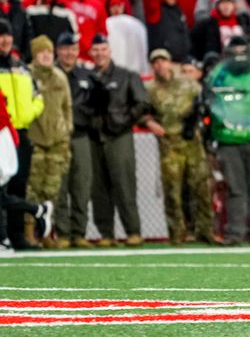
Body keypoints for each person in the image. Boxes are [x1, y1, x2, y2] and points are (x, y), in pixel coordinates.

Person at [204, 37, 250, 245]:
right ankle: (237, 233)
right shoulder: (220, 74)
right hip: (231, 139)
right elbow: (209, 102)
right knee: (236, 189)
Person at [144, 49, 215, 245]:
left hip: (192, 142)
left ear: (169, 62)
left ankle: (205, 231)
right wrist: (149, 122)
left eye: (163, 61)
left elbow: (206, 104)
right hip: (169, 144)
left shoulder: (189, 84)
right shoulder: (149, 88)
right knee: (172, 192)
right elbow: (140, 110)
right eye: (155, 62)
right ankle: (177, 234)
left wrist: (198, 122)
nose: (160, 65)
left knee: (202, 189)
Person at [89, 34, 149, 247]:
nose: (99, 54)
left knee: (124, 185)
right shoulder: (87, 77)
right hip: (95, 137)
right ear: (90, 53)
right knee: (99, 188)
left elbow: (142, 102)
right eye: (95, 50)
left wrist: (122, 120)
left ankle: (133, 231)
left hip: (120, 136)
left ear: (109, 51)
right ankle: (106, 233)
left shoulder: (127, 75)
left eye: (103, 49)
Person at [0, 19, 44, 249]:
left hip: (21, 134)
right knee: (1, 190)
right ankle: (3, 236)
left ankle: (17, 236)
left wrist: (27, 115)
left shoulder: (21, 67)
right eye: (1, 36)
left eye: (7, 35)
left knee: (18, 185)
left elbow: (38, 98)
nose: (5, 40)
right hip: (1, 133)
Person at [26, 36, 72, 248]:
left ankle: (46, 232)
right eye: (41, 52)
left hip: (57, 142)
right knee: (32, 189)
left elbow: (67, 108)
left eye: (49, 52)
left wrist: (66, 131)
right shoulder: (26, 75)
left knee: (52, 190)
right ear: (34, 54)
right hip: (34, 140)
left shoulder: (60, 77)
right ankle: (29, 232)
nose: (46, 55)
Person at [54, 33, 97, 248]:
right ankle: (62, 233)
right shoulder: (51, 74)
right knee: (59, 187)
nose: (69, 53)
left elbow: (97, 103)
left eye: (72, 48)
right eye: (65, 48)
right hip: (58, 138)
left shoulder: (87, 75)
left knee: (82, 186)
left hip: (81, 135)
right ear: (58, 51)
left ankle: (79, 232)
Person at [0, 91, 53, 254]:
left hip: (2, 139)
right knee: (1, 196)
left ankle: (4, 240)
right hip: (5, 137)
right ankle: (37, 210)